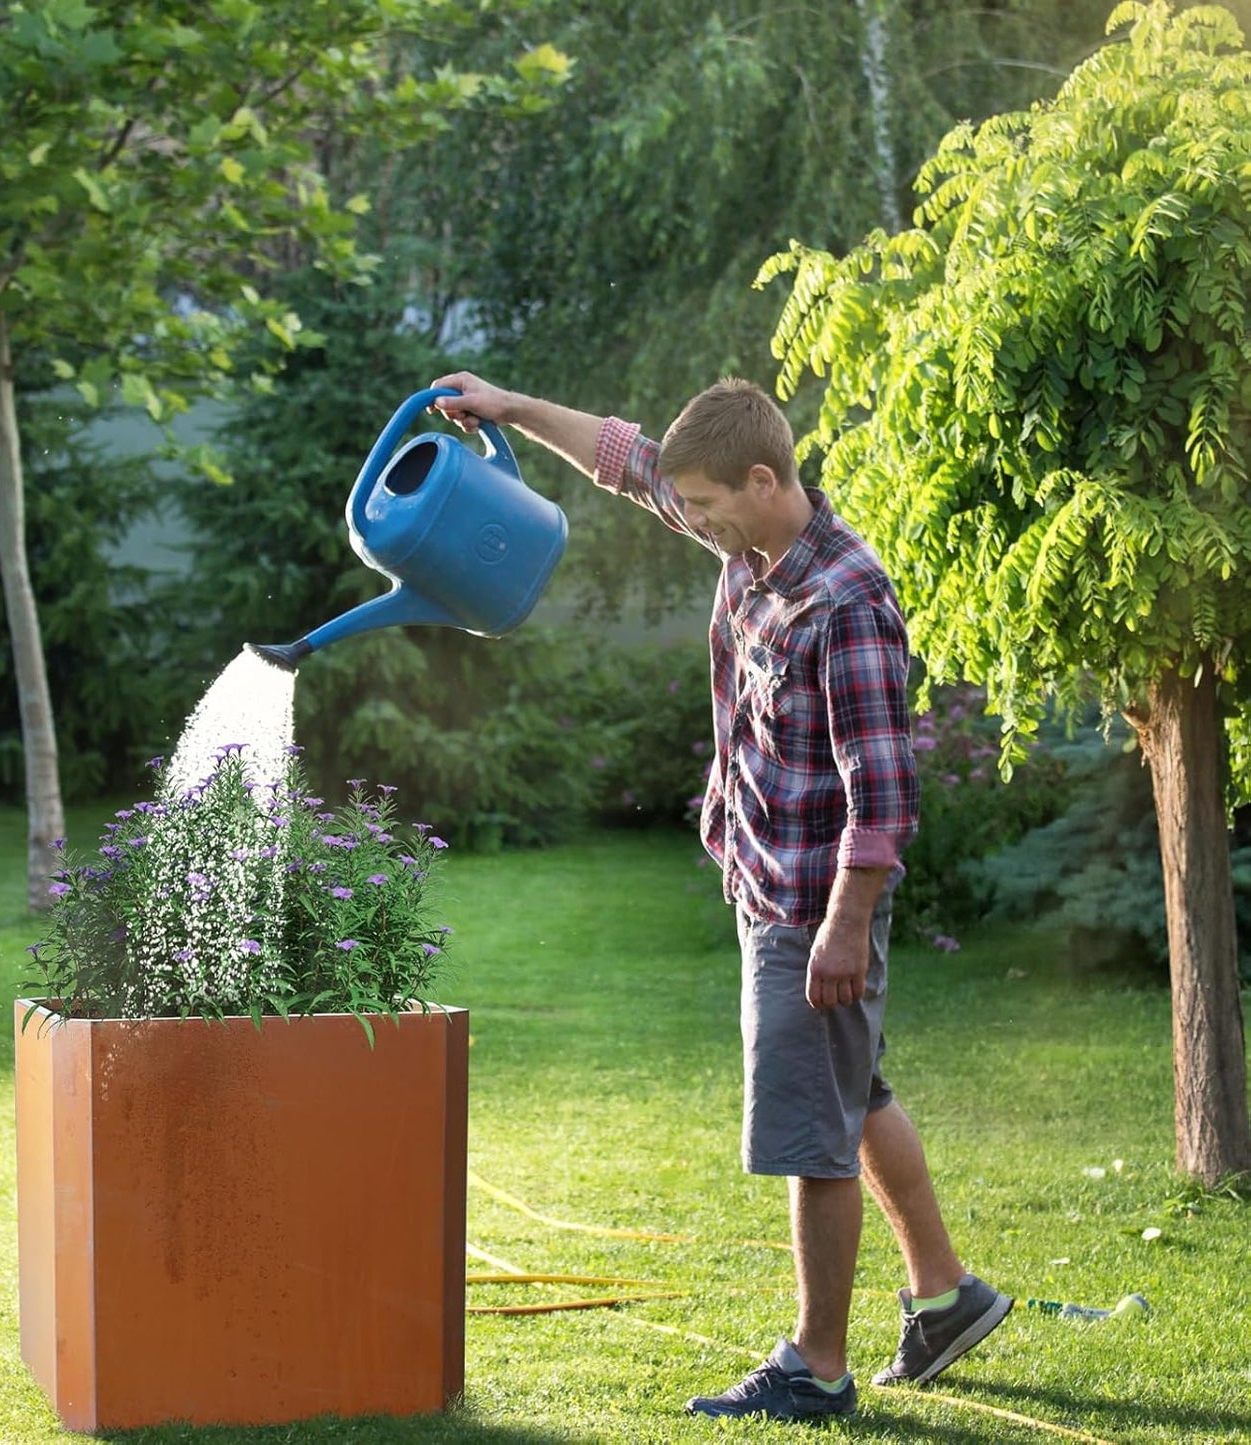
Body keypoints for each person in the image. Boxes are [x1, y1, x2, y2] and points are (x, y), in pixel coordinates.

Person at [431, 371, 1012, 1423]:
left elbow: (882, 798)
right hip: (766, 877)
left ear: (760, 478)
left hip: (810, 904)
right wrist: (508, 407)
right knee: (855, 1090)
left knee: (811, 1132)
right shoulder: (748, 544)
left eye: (701, 504)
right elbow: (625, 461)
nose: (686, 518)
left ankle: (816, 1365)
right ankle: (943, 1294)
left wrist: (839, 926)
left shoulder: (843, 601)